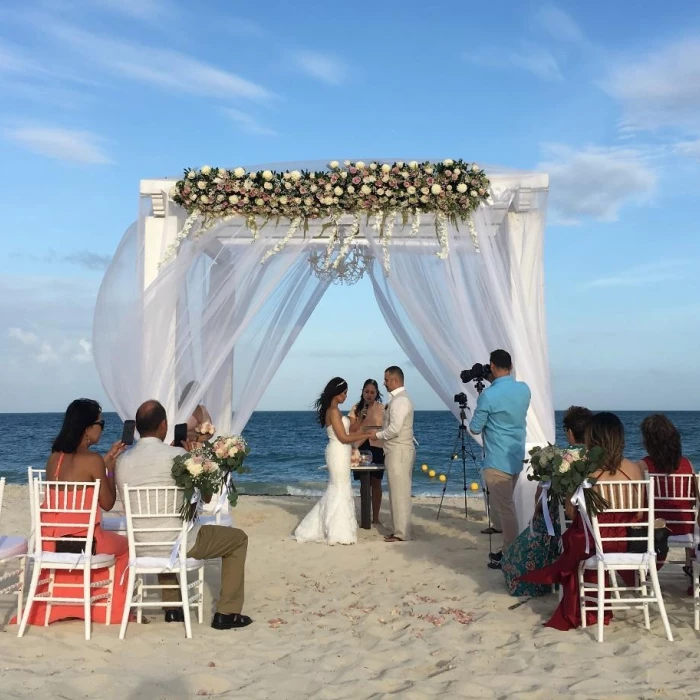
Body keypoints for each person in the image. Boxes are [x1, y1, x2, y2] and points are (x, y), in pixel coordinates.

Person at [116, 400, 252, 630]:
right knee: (238, 539)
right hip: (178, 543)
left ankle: (172, 608)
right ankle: (227, 612)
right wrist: (199, 458)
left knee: (162, 531)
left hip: (142, 544)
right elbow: (207, 497)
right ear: (163, 425)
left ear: (137, 427)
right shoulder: (177, 456)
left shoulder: (121, 461)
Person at [520, 412, 644, 631]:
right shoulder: (636, 470)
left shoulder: (589, 472)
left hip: (596, 545)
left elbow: (573, 515)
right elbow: (640, 515)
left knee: (573, 540)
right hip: (629, 542)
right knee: (575, 541)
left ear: (593, 439)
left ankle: (575, 597)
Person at [19, 399, 129, 626]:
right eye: (102, 423)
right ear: (87, 428)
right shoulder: (93, 460)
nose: (102, 428)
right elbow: (107, 503)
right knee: (126, 547)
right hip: (86, 544)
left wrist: (103, 462)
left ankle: (65, 605)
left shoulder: (54, 459)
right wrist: (110, 470)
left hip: (53, 543)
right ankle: (110, 612)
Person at [501, 406, 592, 596]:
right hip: (592, 523)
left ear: (569, 432)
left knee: (515, 553)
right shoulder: (598, 458)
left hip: (562, 523)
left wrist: (536, 511)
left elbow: (541, 490)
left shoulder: (561, 457)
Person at [469, 349, 531, 565]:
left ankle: (511, 556)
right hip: (515, 456)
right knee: (507, 507)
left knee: (506, 510)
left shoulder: (488, 395)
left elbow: (475, 428)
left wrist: (484, 397)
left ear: (492, 366)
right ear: (511, 366)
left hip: (496, 460)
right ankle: (507, 550)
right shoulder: (524, 390)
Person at [294, 378, 369, 545]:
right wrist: (366, 435)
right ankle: (337, 532)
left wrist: (362, 420)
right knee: (339, 488)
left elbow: (351, 429)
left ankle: (339, 529)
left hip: (341, 452)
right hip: (337, 451)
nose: (345, 396)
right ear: (336, 393)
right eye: (344, 393)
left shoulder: (336, 410)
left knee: (341, 488)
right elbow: (343, 437)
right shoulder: (333, 411)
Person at [638, 414, 695, 572]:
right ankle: (691, 567)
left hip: (655, 528)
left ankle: (646, 570)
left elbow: (638, 501)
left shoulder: (643, 465)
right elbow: (693, 499)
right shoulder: (688, 464)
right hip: (684, 527)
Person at [368, 366, 415, 543]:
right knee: (396, 491)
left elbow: (394, 429)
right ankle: (400, 529)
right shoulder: (397, 400)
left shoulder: (400, 401)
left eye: (386, 379)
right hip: (394, 451)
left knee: (400, 492)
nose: (384, 383)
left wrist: (377, 435)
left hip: (399, 451)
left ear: (395, 380)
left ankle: (401, 533)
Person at [348, 379, 385, 525]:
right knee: (365, 483)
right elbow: (351, 429)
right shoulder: (356, 408)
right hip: (361, 446)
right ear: (362, 392)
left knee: (376, 482)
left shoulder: (382, 408)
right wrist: (360, 417)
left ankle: (376, 517)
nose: (369, 395)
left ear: (376, 394)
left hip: (377, 447)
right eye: (367, 392)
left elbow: (385, 428)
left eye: (372, 392)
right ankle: (365, 516)